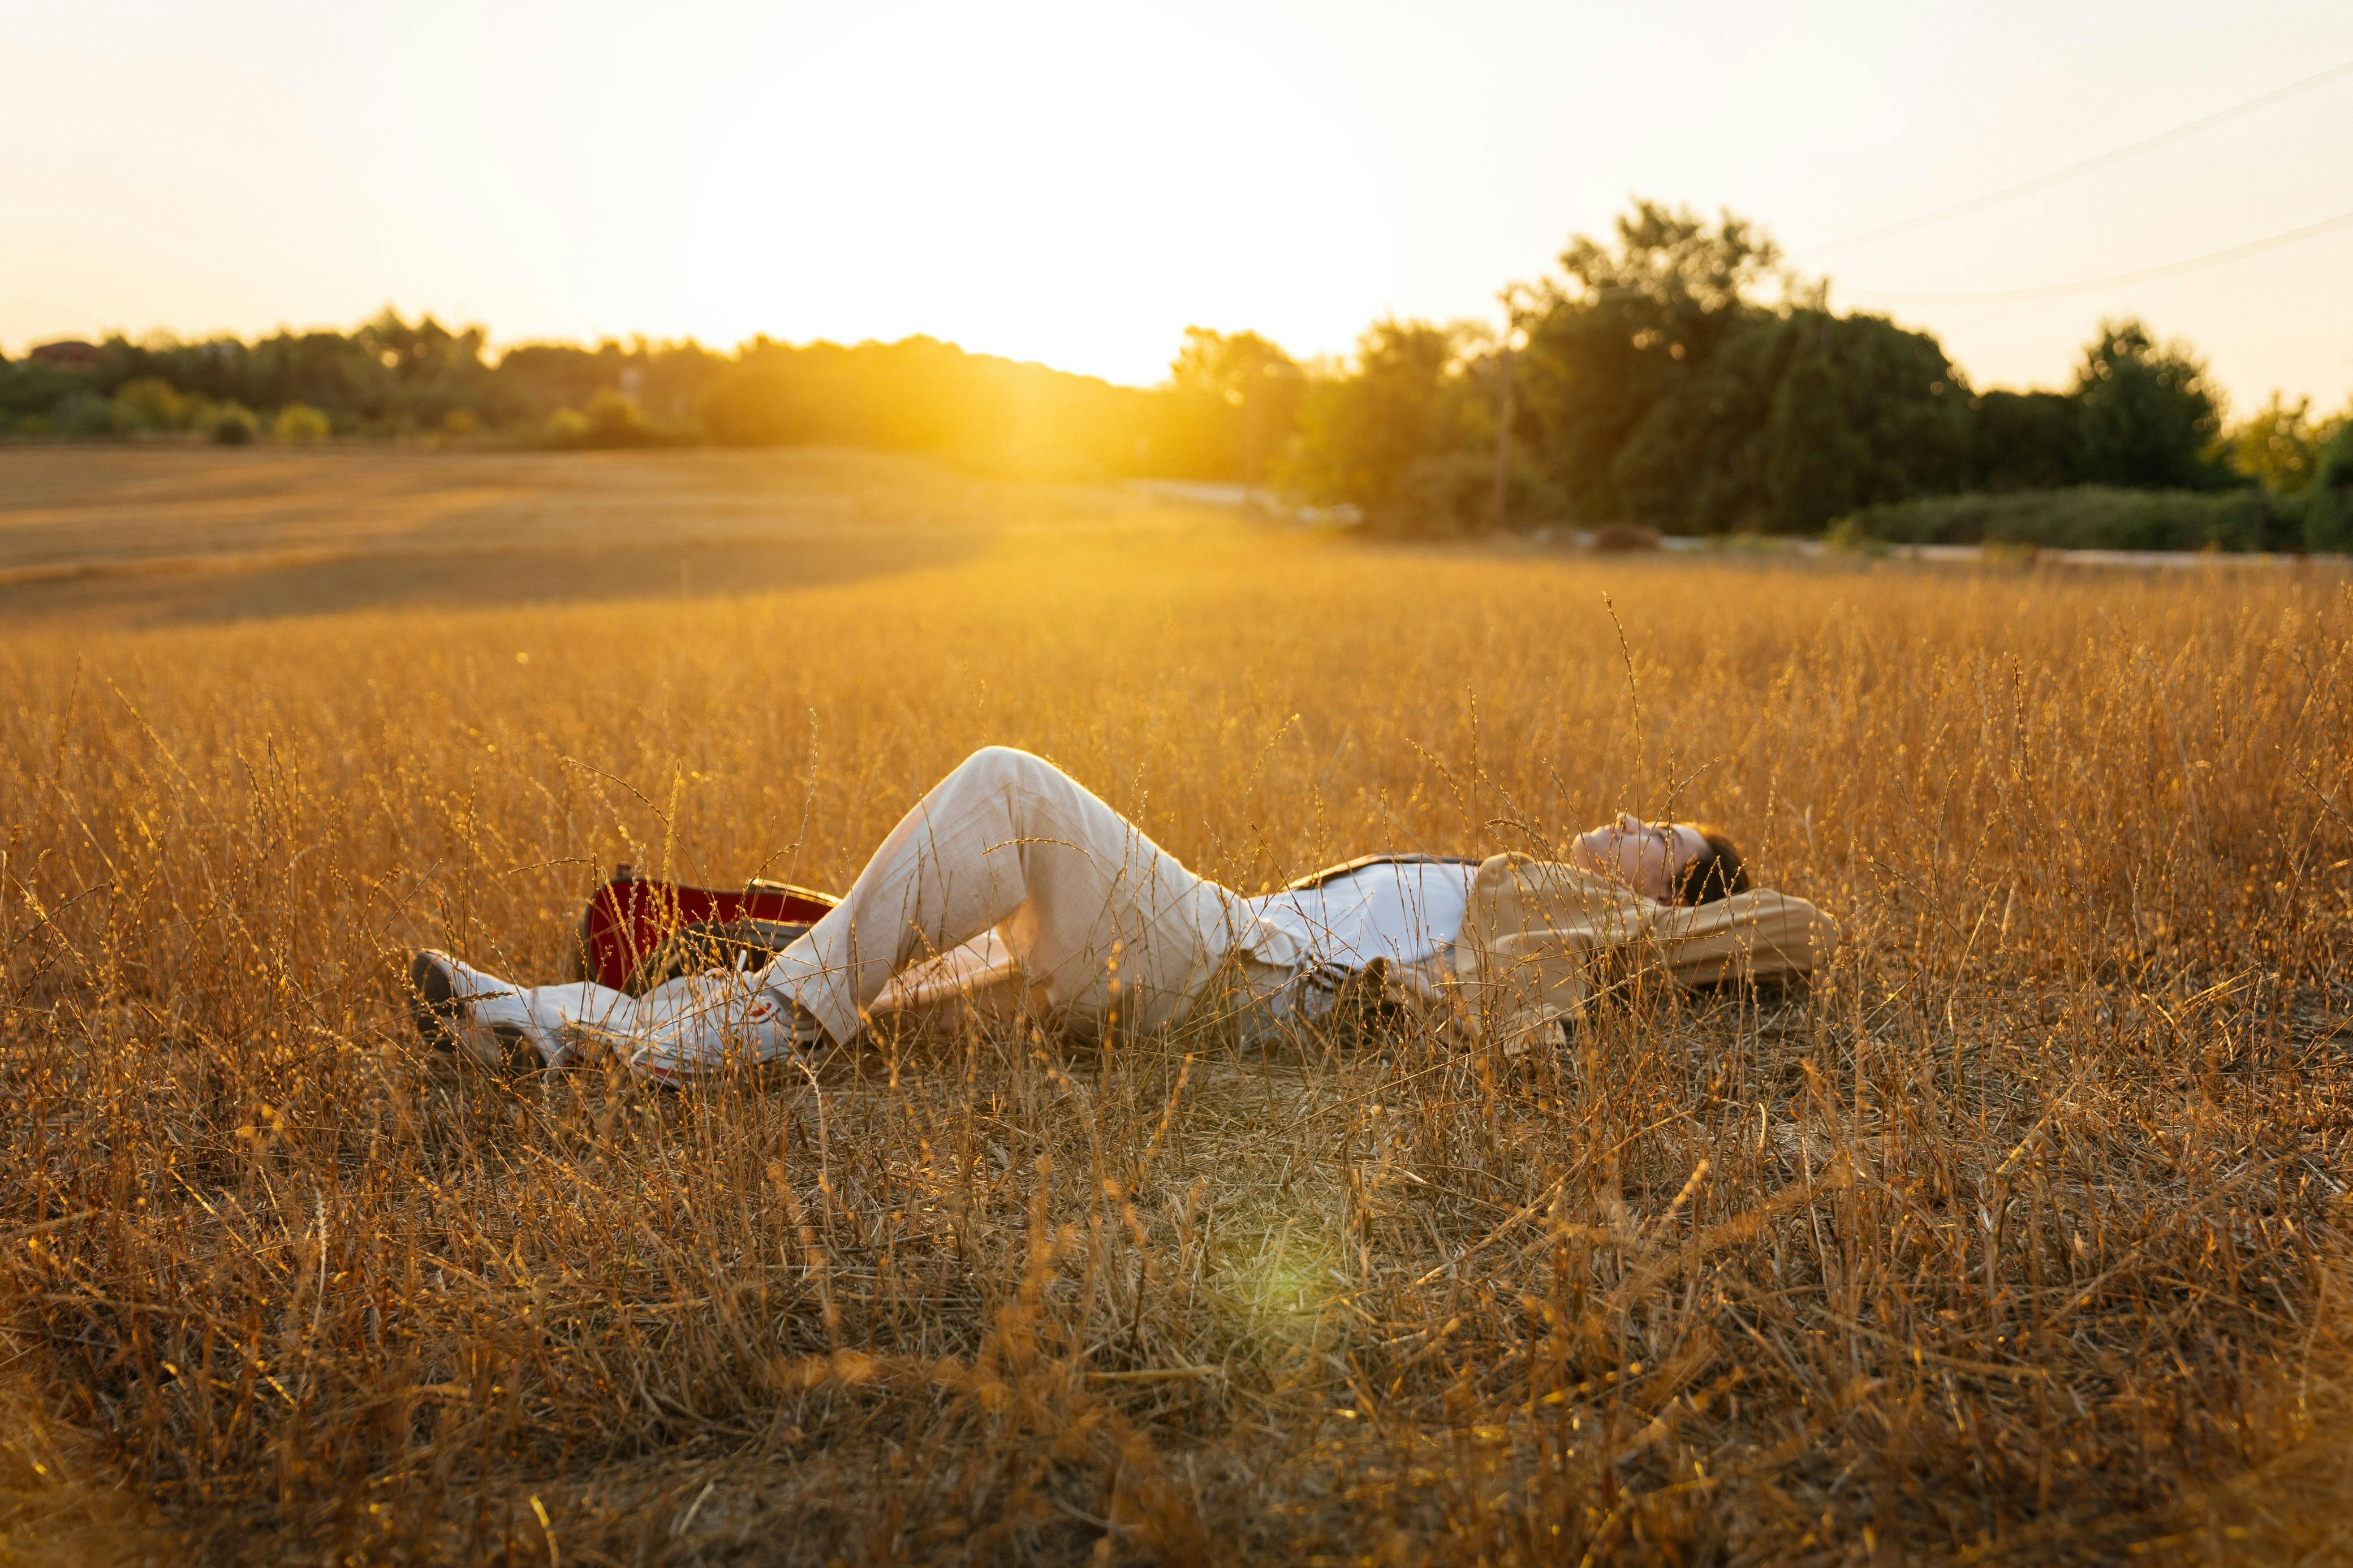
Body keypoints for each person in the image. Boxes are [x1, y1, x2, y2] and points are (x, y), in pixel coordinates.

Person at [408, 745, 1838, 1082]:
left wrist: (1686, 929)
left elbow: (1797, 931)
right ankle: (546, 1028)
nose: (1628, 822)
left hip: (1232, 966)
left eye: (1660, 838)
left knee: (1007, 785)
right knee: (870, 1003)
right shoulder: (1536, 889)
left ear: (1668, 894)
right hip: (1205, 957)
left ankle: (701, 1038)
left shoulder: (1586, 920)